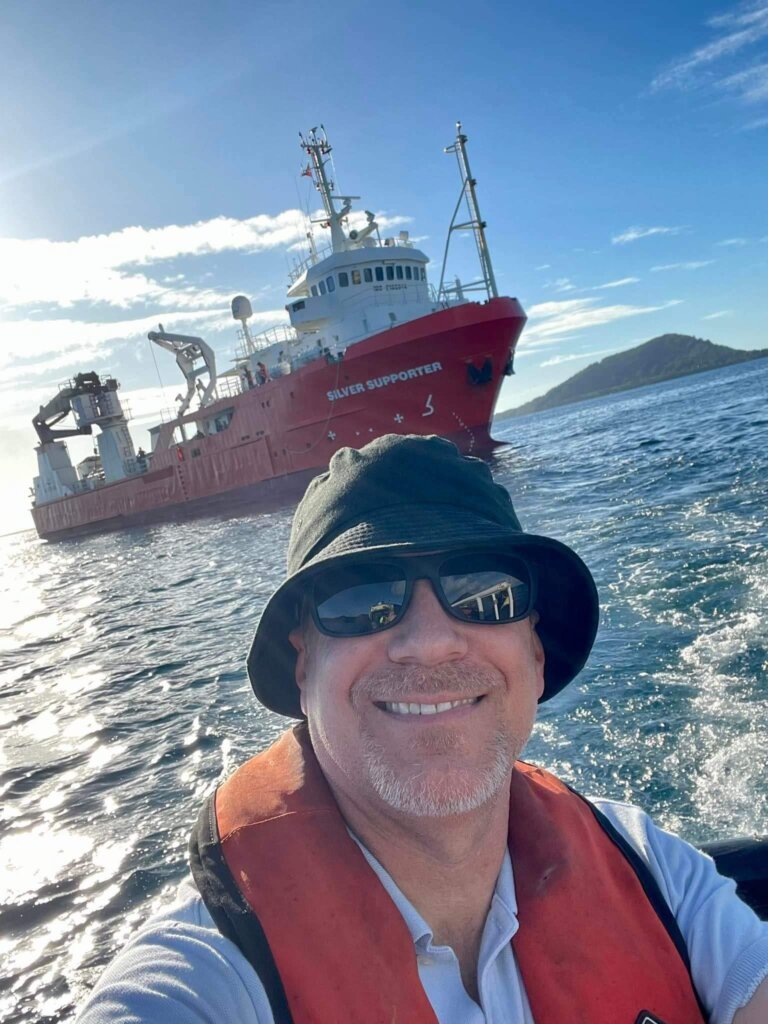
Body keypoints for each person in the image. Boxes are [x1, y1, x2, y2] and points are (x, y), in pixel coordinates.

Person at [78, 435, 768, 1023]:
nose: (431, 642)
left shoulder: (654, 870)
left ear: (533, 652)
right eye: (363, 598)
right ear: (302, 669)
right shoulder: (211, 973)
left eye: (483, 590)